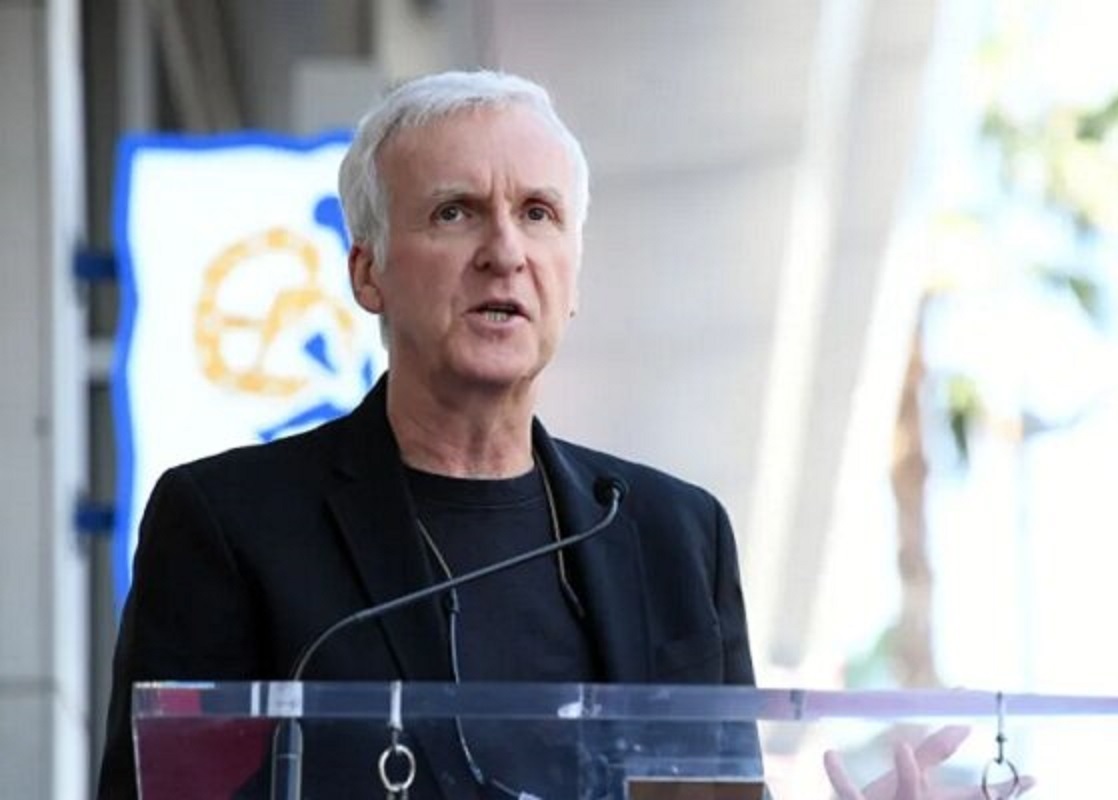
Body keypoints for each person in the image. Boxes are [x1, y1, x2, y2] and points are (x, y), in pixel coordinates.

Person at [98, 70, 1016, 799]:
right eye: (455, 211)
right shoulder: (230, 521)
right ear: (367, 272)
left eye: (538, 214)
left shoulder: (673, 538)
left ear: (572, 274)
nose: (505, 251)